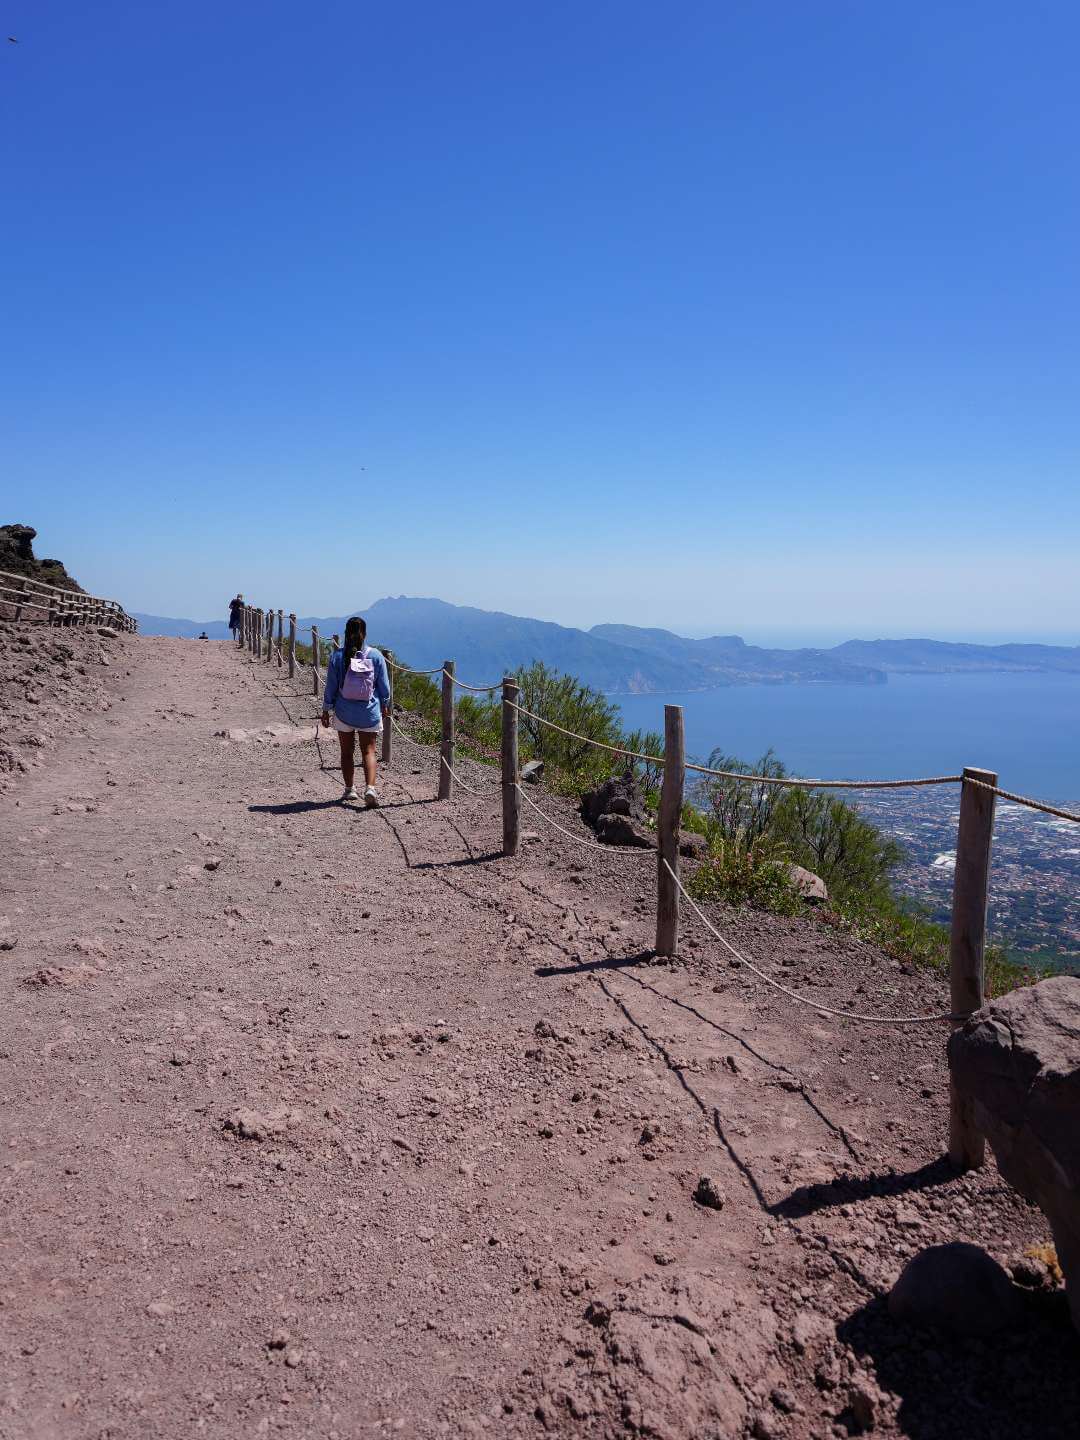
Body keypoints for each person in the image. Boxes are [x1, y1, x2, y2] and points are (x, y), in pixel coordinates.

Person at [321, 615, 391, 806]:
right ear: (365, 634)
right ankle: (370, 788)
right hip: (369, 711)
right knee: (368, 751)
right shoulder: (375, 656)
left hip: (344, 712)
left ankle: (350, 789)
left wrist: (326, 709)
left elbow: (331, 687)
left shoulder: (337, 656)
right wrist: (385, 704)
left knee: (346, 752)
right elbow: (383, 686)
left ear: (346, 633)